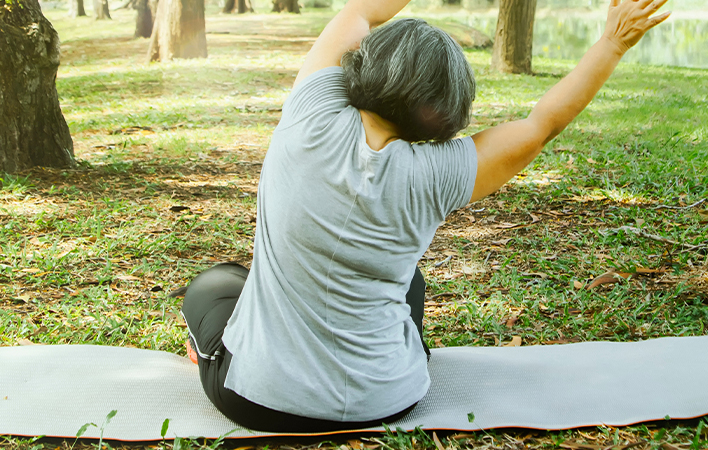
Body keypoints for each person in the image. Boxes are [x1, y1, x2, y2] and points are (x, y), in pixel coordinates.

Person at [180, 0, 670, 433]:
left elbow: (360, 12)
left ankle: (207, 351)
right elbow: (541, 124)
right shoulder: (439, 173)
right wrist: (612, 40)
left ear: (366, 66)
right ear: (445, 108)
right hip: (389, 401)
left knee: (217, 283)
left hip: (261, 403)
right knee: (408, 281)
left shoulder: (309, 115)